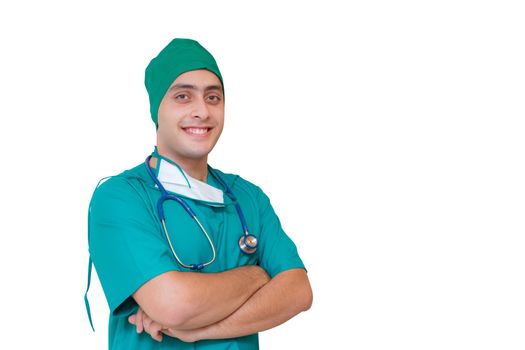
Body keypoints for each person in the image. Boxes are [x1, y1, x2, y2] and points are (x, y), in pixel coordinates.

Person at [85, 38, 312, 349]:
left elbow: (298, 292)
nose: (202, 111)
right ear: (156, 109)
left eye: (213, 97)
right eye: (182, 96)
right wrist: (257, 276)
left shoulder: (248, 198)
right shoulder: (120, 198)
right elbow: (173, 304)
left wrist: (197, 330)